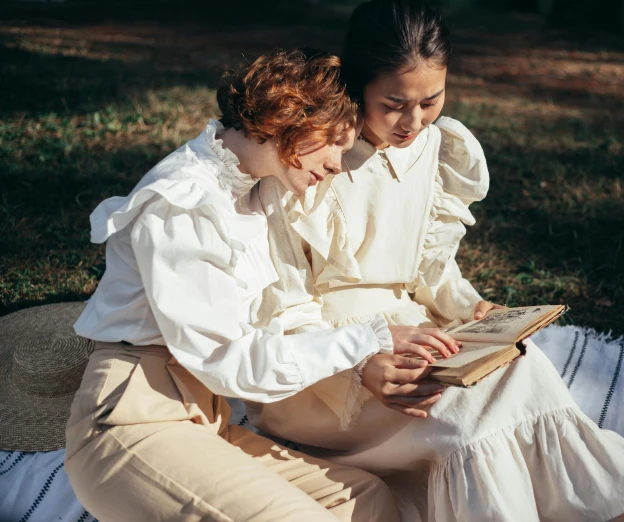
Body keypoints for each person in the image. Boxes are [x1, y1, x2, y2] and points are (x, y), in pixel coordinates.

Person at [247, 2, 624, 521]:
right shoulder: (309, 159)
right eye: (394, 103)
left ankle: (604, 511)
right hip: (324, 371)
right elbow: (280, 306)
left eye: (431, 99)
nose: (413, 120)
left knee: (524, 368)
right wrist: (361, 366)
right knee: (466, 415)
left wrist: (472, 306)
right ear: (358, 85)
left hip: (409, 326)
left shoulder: (433, 145)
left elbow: (429, 268)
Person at [63, 49, 442, 522]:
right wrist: (366, 339)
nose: (338, 165)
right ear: (292, 120)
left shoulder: (255, 188)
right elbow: (229, 362)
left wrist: (369, 356)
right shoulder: (184, 203)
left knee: (366, 499)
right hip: (133, 423)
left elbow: (289, 312)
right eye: (335, 144)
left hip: (206, 421)